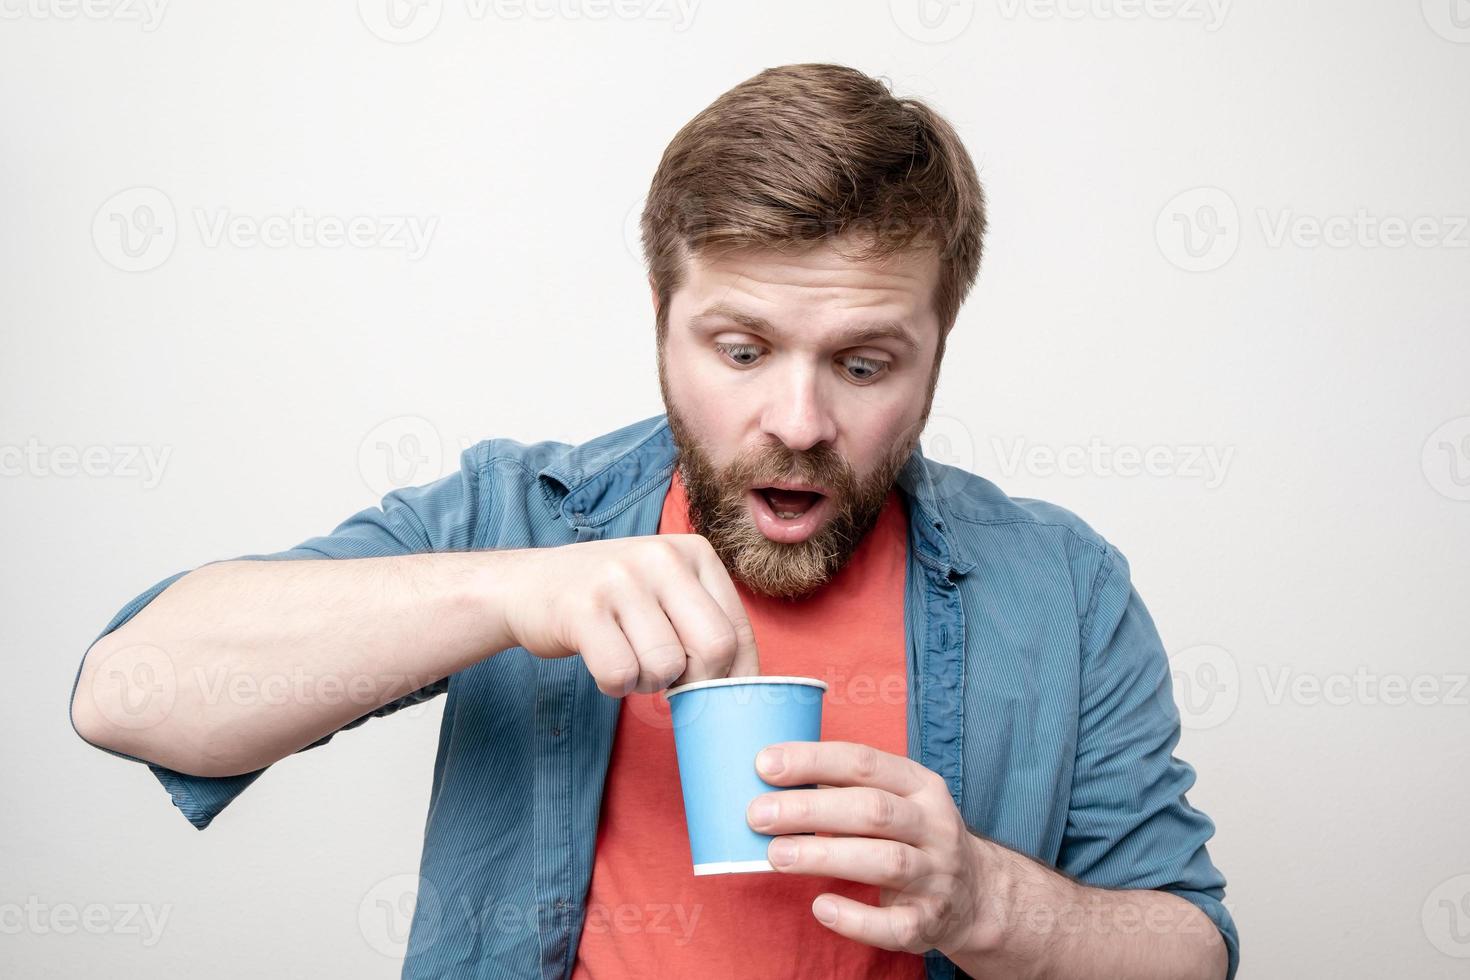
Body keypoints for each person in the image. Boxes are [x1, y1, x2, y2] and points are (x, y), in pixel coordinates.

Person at [69, 63, 1237, 979]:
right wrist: (510, 591)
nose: (799, 418)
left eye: (866, 362)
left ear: (939, 352)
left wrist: (986, 900)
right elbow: (129, 694)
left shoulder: (1062, 586)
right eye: (741, 349)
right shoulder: (522, 516)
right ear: (660, 317)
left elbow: (1189, 945)